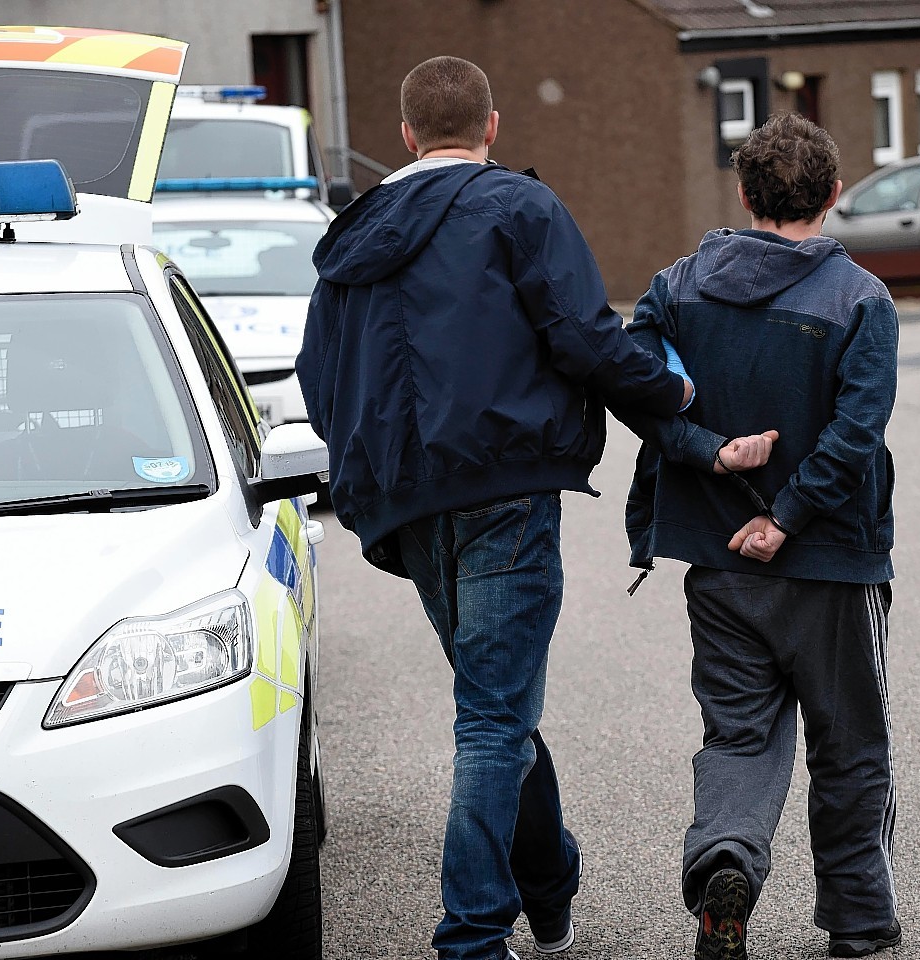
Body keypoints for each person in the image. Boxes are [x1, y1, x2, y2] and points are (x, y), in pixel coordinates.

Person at [294, 56, 702, 960]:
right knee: (492, 716)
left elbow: (317, 379)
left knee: (497, 706)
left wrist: (372, 474)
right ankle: (473, 934)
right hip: (505, 492)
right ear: (492, 127)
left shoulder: (354, 236)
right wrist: (672, 398)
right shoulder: (520, 209)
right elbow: (586, 335)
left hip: (408, 505)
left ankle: (549, 882)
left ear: (404, 136)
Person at [623, 113, 902, 959]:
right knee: (849, 743)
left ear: (743, 194)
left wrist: (708, 452)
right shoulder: (862, 300)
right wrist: (786, 519)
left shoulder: (675, 289)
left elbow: (636, 390)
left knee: (739, 736)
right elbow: (855, 436)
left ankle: (725, 863)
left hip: (718, 563)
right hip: (831, 564)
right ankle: (858, 921)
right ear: (835, 195)